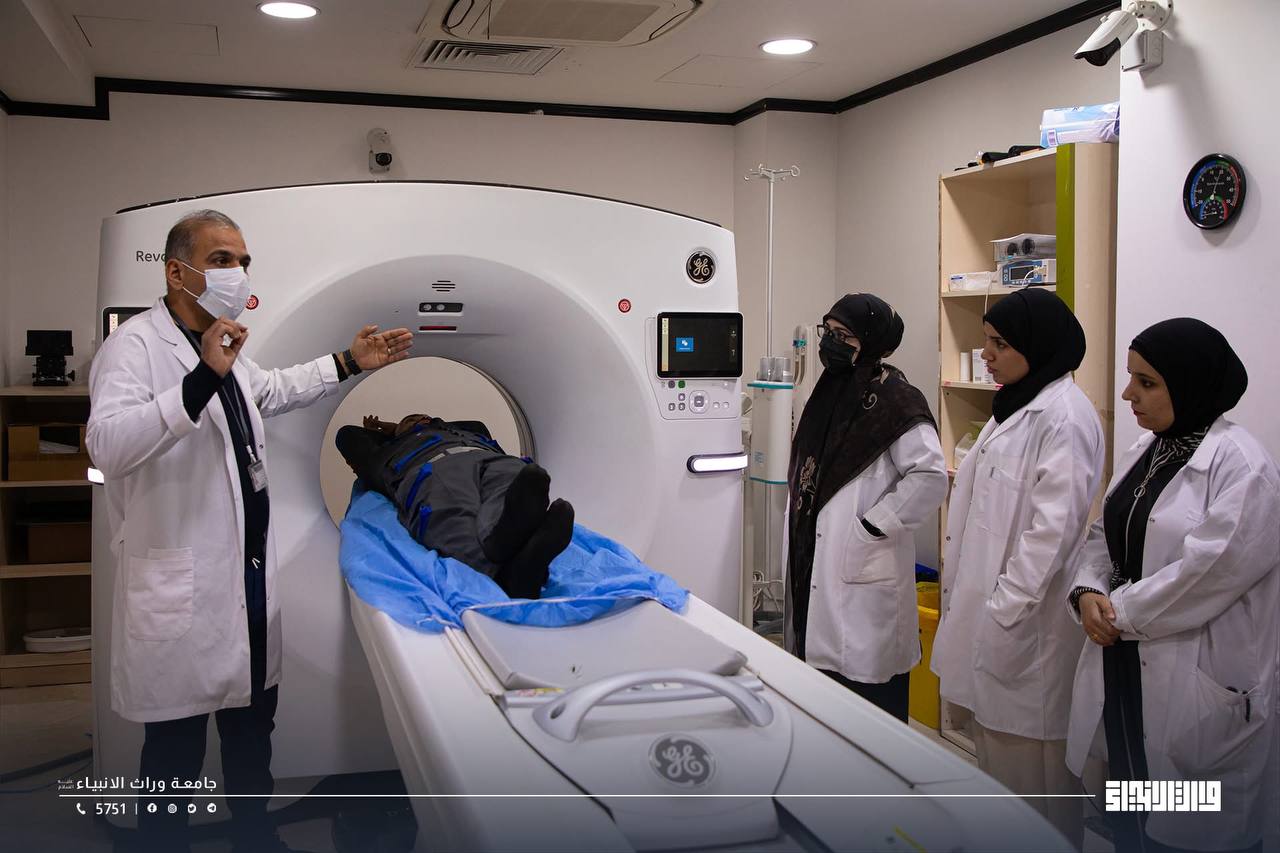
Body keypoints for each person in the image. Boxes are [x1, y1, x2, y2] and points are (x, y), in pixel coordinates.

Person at [87, 209, 412, 853]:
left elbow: (272, 390)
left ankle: (256, 839)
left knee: (251, 737)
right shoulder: (135, 347)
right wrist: (202, 377)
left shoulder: (223, 343)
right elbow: (108, 446)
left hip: (246, 580)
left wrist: (349, 361)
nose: (236, 273)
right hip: (182, 583)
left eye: (242, 261)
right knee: (174, 752)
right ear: (177, 272)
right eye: (221, 260)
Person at [1065, 319, 1279, 853]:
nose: (1127, 394)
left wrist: (1115, 611)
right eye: (1130, 377)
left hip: (1193, 673)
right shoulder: (1149, 447)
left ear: (1190, 385)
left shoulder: (1244, 468)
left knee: (1188, 826)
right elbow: (1105, 532)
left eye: (1146, 382)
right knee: (1133, 811)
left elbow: (1206, 575)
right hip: (1124, 662)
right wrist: (1087, 590)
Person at [931, 288, 1104, 848]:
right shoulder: (1014, 407)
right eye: (986, 341)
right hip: (997, 627)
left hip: (1028, 638)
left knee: (1039, 797)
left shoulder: (1064, 418)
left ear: (1039, 346)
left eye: (1000, 344)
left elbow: (1050, 535)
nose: (986, 354)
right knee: (1003, 789)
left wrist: (1002, 609)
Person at [784, 293, 948, 722]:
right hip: (818, 554)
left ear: (873, 342)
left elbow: (930, 475)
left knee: (871, 712)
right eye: (828, 332)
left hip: (864, 563)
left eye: (844, 336)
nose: (831, 344)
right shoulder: (828, 392)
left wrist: (874, 525)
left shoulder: (897, 400)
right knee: (822, 707)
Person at [335, 414, 574, 600]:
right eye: (410, 419)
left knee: (515, 482)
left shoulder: (465, 432)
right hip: (431, 469)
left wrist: (432, 424)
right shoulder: (386, 453)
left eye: (423, 416)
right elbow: (347, 435)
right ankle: (517, 568)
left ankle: (508, 555)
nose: (419, 418)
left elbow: (476, 424)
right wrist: (393, 431)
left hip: (490, 459)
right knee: (452, 512)